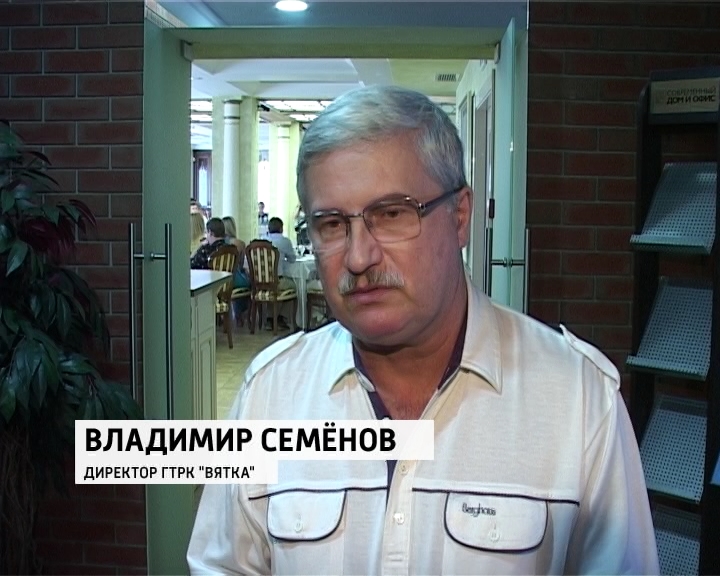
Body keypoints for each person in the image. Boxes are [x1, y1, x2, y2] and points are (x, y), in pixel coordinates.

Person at [187, 86, 659, 574]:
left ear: (459, 217)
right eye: (331, 224)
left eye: (392, 214)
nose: (358, 257)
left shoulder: (579, 400)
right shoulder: (270, 393)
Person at [262, 217, 296, 330]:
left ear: (268, 228)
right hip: (277, 282)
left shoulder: (261, 240)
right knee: (296, 286)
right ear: (281, 228)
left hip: (260, 283)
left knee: (274, 287)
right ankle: (281, 317)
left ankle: (270, 318)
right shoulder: (284, 241)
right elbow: (292, 259)